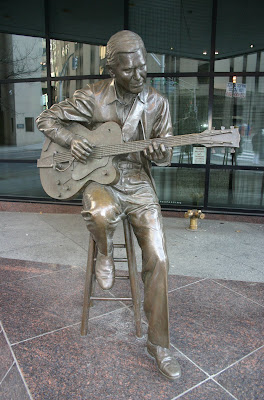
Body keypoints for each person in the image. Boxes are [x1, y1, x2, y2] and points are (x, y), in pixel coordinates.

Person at [36, 30, 181, 380]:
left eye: (143, 67)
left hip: (138, 182)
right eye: (129, 70)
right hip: (102, 179)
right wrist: (72, 140)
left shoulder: (158, 103)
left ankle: (159, 343)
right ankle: (104, 251)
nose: (139, 75)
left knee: (159, 257)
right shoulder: (93, 97)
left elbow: (165, 152)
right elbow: (46, 119)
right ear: (112, 69)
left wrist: (162, 153)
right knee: (99, 213)